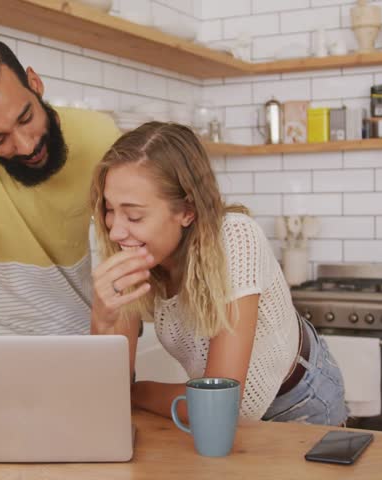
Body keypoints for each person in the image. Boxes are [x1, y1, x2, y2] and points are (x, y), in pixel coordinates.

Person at [88, 122, 347, 424]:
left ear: (188, 210)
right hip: (220, 419)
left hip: (300, 401)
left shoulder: (235, 239)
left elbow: (219, 404)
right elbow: (107, 391)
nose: (116, 230)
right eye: (108, 209)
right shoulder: (132, 254)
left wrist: (136, 393)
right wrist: (101, 317)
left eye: (134, 215)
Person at [0, 36, 121, 336]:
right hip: (2, 343)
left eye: (26, 118)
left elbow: (130, 246)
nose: (26, 146)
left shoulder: (100, 135)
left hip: (84, 335)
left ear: (35, 83)